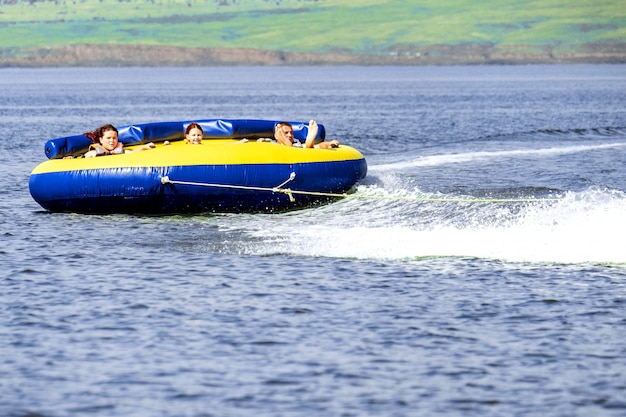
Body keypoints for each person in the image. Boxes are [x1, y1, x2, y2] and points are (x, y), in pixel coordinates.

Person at [83, 124, 155, 158]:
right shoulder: (93, 153)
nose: (112, 141)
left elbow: (133, 152)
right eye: (108, 138)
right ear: (101, 140)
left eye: (114, 138)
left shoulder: (121, 151)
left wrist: (144, 147)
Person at [269, 120, 340, 149]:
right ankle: (284, 143)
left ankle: (309, 140)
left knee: (308, 146)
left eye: (292, 133)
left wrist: (329, 144)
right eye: (286, 133)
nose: (290, 135)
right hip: (277, 149)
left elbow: (318, 146)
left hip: (296, 151)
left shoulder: (296, 143)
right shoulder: (270, 143)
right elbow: (259, 143)